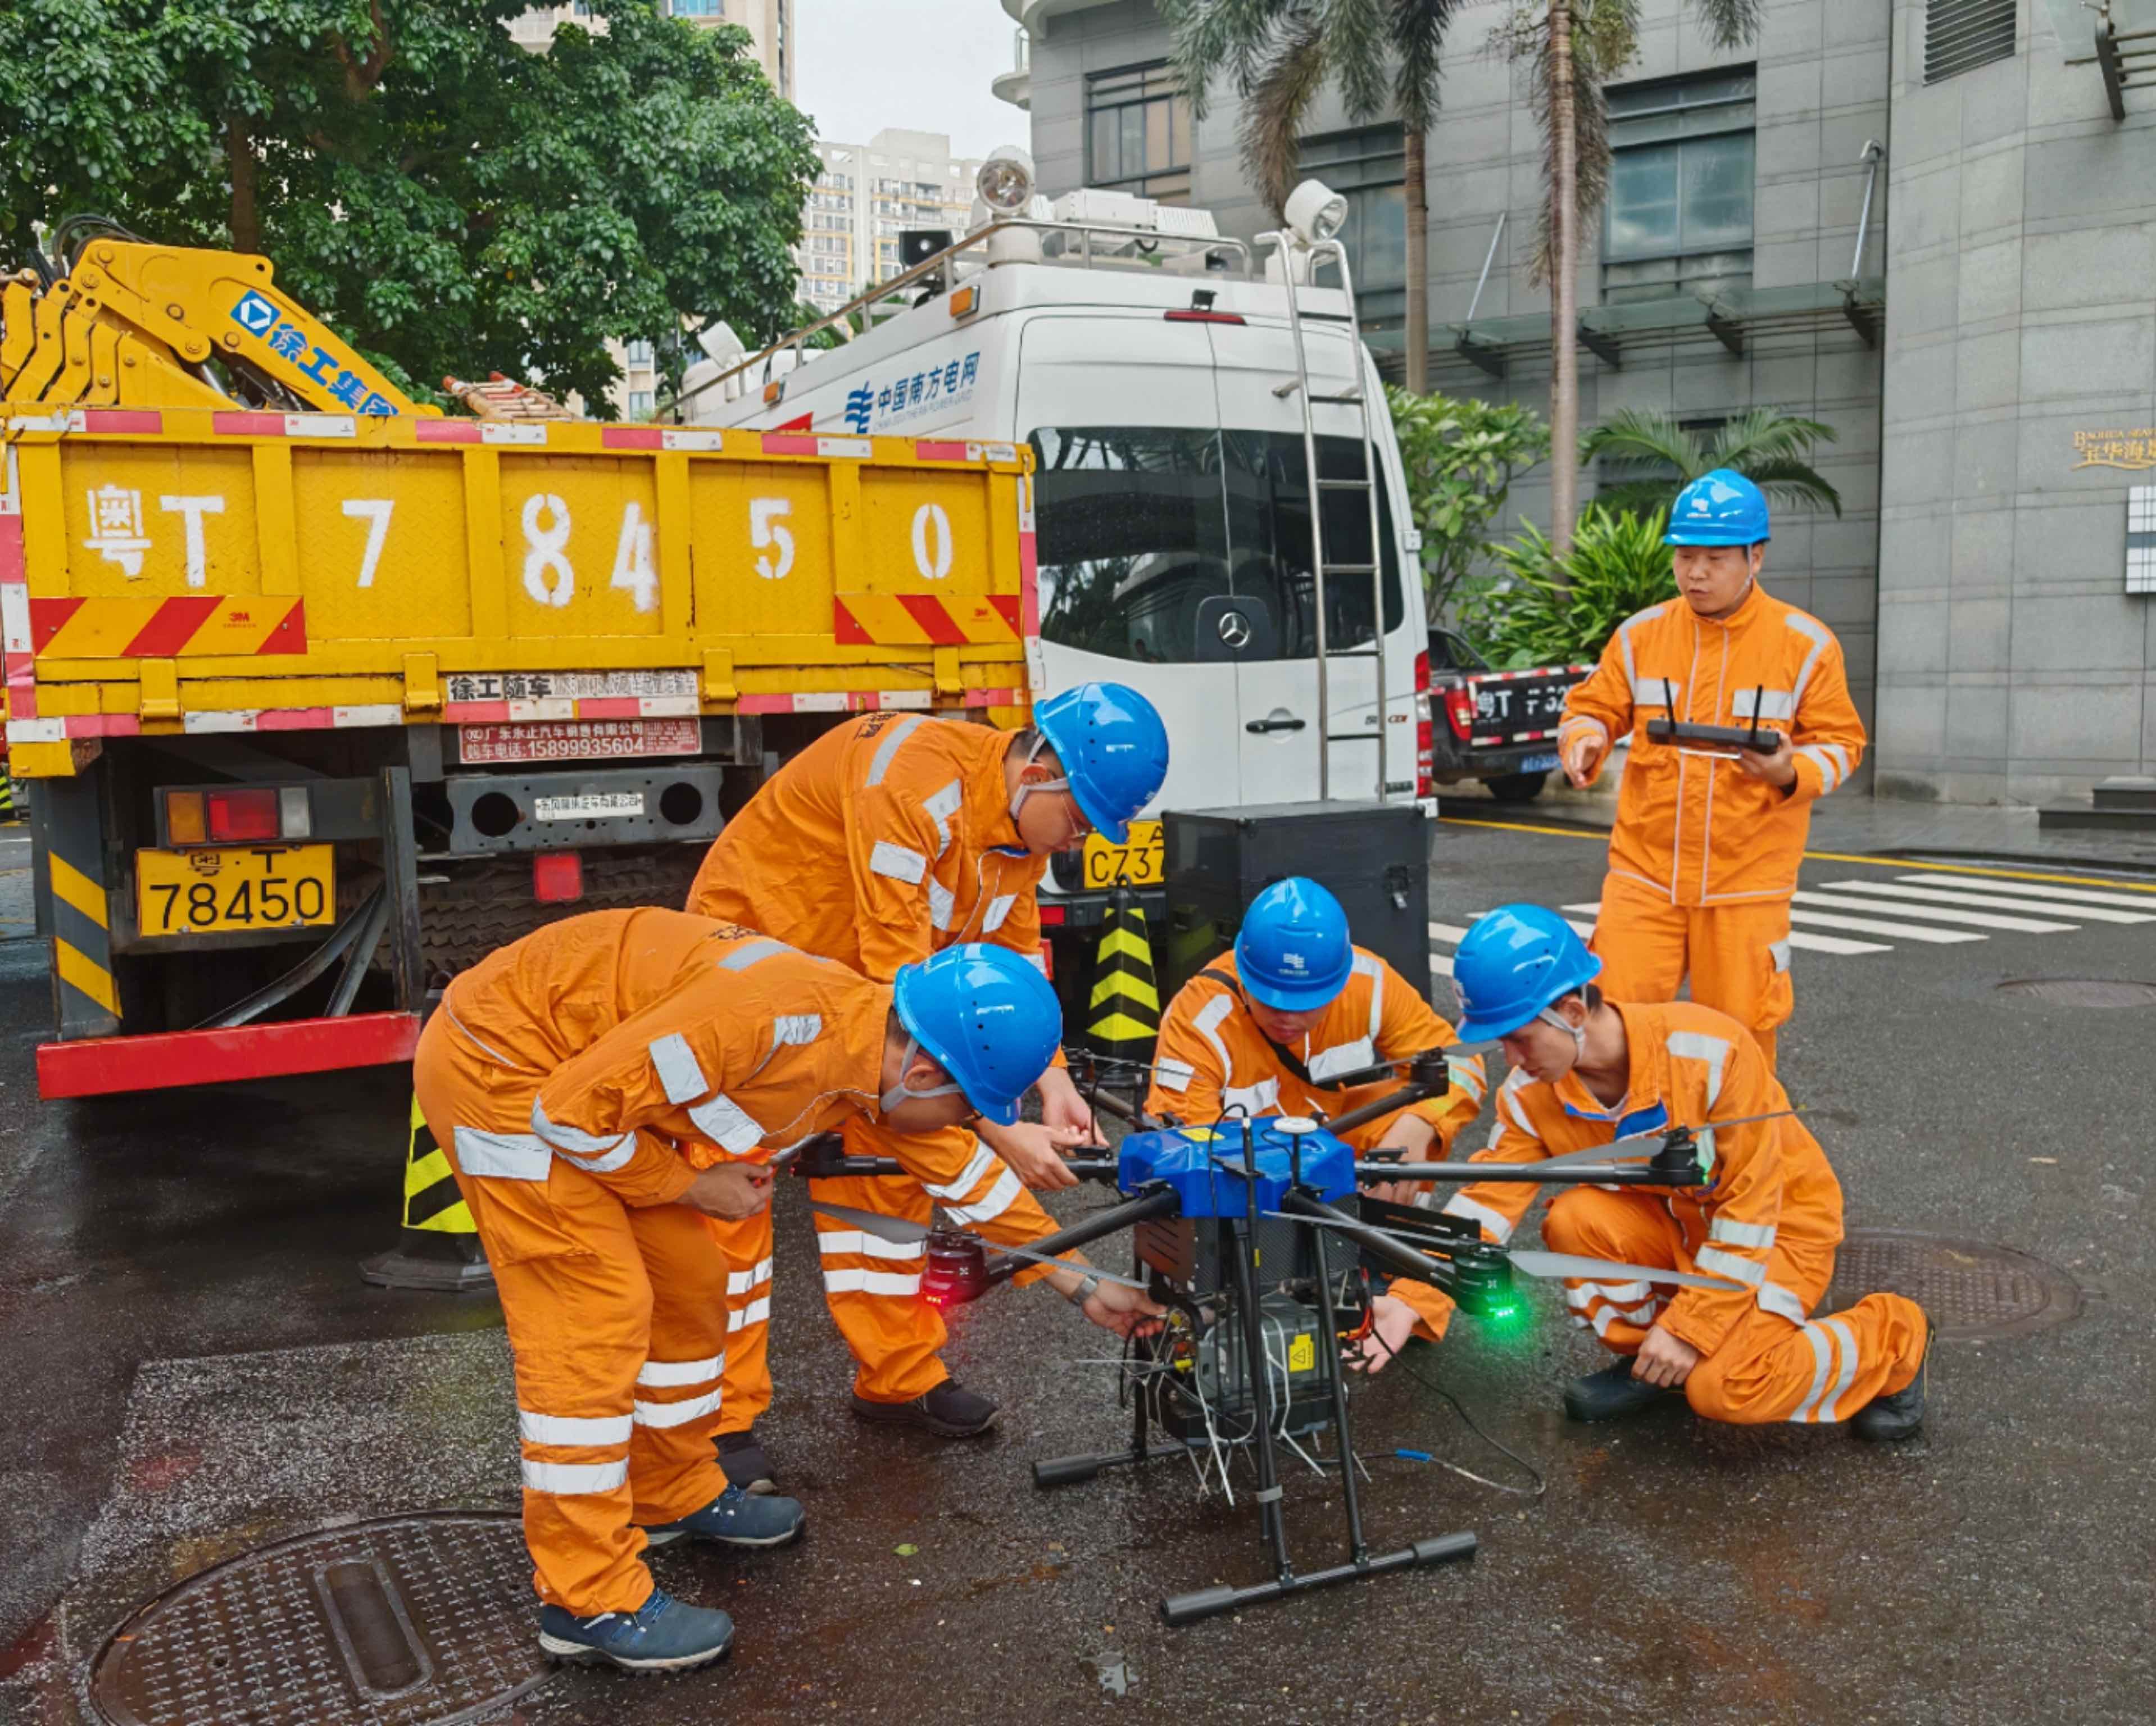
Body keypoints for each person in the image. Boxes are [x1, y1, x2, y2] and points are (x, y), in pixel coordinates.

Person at [412, 915, 1160, 1674]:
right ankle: (586, 1598)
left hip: (580, 1096)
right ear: (929, 1076)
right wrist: (690, 1183)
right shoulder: (769, 1024)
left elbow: (955, 1170)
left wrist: (1079, 1280)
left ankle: (669, 1489)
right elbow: (566, 1114)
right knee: (593, 1317)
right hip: (503, 1076)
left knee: (691, 1285)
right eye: (972, 1110)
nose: (970, 1126)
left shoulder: (867, 1048)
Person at [685, 683, 1169, 1468]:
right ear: (1039, 769)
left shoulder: (1014, 834)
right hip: (760, 970)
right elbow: (900, 996)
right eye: (1079, 820)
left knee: (885, 1181)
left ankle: (898, 1375)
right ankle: (713, 1425)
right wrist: (995, 1123)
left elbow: (1009, 953)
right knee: (734, 1190)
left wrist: (1049, 1077)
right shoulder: (911, 786)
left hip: (864, 989)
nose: (1077, 842)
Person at [1358, 905, 1932, 1441]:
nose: (1510, 1057)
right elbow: (1488, 1200)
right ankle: (1657, 1365)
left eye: (1517, 1037)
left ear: (1574, 1012)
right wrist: (1411, 1296)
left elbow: (1752, 1207)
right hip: (1681, 1230)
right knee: (1576, 1221)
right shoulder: (1531, 1096)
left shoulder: (1710, 1053)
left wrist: (1694, 1329)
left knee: (1726, 1389)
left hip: (1779, 1231)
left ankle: (1893, 1338)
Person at [1556, 469, 1866, 1070]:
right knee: (1611, 1027)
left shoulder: (1806, 646)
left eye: (1714, 558)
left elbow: (1842, 744)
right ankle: (1624, 1159)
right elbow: (1591, 708)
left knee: (1740, 1043)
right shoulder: (1641, 635)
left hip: (1746, 886)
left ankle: (1737, 1162)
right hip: (1645, 879)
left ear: (1757, 557)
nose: (1695, 573)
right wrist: (1586, 740)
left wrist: (1786, 770)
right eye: (1685, 556)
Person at [1141, 876, 1487, 1188]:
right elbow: (1186, 1151)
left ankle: (1388, 1231)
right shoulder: (1197, 1020)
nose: (1288, 1018)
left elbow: (1460, 1064)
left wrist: (1419, 1123)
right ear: (1245, 978)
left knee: (1418, 1109)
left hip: (1326, 1147)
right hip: (1239, 1180)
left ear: (1338, 985)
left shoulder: (1369, 984)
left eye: (1307, 1003)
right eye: (1272, 1001)